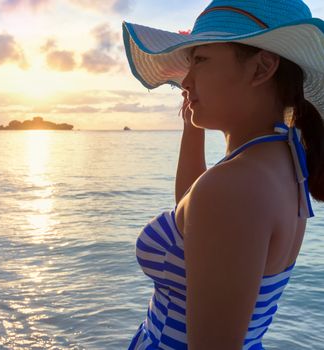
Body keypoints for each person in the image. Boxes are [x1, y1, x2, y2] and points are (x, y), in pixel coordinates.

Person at [122, 0, 324, 349]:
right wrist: (192, 126)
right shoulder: (281, 159)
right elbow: (195, 220)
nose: (185, 81)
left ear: (261, 68)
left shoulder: (234, 187)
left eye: (200, 60)